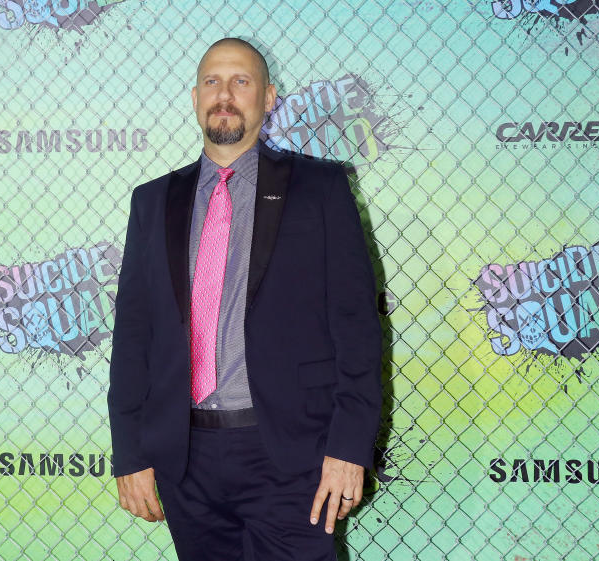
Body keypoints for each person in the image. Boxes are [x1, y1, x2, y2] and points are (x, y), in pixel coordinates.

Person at [107, 37, 383, 560]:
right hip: (184, 458)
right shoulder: (153, 201)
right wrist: (130, 453)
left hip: (290, 455)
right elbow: (133, 338)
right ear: (194, 97)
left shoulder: (320, 188)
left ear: (269, 97)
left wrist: (348, 448)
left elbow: (357, 330)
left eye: (241, 81)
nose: (225, 95)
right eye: (212, 81)